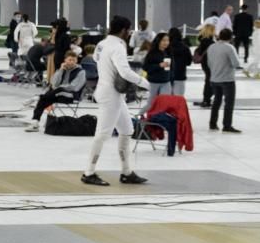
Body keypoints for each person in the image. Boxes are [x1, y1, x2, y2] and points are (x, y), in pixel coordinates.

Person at [82, 16, 149, 187]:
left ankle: (126, 172)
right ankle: (88, 173)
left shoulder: (102, 43)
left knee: (127, 130)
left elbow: (99, 61)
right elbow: (125, 72)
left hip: (110, 92)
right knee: (102, 134)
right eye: (129, 30)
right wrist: (146, 84)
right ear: (124, 30)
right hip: (110, 95)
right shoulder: (117, 47)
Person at [26, 51, 87, 131]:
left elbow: (75, 87)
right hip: (57, 95)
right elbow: (53, 83)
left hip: (71, 96)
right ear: (65, 60)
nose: (72, 62)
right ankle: (35, 122)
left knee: (56, 91)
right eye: (70, 60)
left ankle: (38, 96)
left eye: (74, 60)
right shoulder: (61, 69)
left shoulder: (81, 72)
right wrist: (61, 70)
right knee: (43, 100)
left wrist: (60, 87)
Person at [206, 28, 240, 133]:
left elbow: (209, 63)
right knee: (229, 103)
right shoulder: (229, 48)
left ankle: (212, 123)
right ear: (231, 37)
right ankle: (227, 125)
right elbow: (236, 63)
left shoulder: (211, 47)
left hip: (214, 78)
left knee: (216, 101)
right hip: (227, 79)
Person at [142, 32, 175, 97]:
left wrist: (171, 80)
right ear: (158, 41)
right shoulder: (152, 53)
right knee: (152, 103)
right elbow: (146, 67)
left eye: (167, 40)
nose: (166, 42)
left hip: (166, 82)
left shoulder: (169, 52)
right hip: (154, 82)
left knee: (164, 102)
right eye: (163, 40)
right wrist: (159, 66)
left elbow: (172, 68)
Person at [194, 22, 217, 108]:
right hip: (210, 63)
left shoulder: (203, 40)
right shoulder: (209, 41)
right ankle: (206, 99)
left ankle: (206, 99)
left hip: (205, 63)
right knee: (209, 81)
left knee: (208, 80)